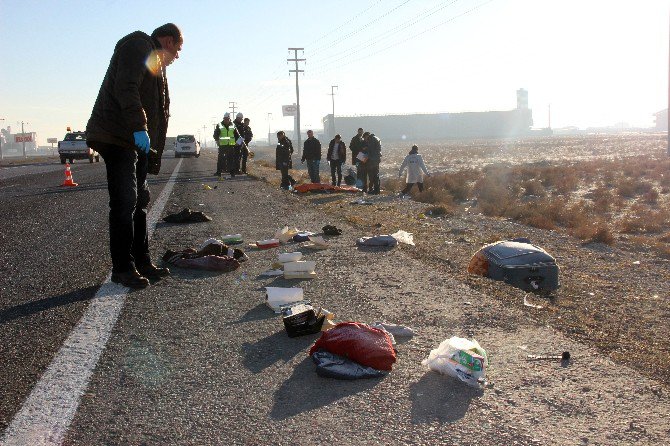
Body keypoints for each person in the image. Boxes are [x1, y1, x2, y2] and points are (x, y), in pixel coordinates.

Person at [86, 23, 182, 289]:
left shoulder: (156, 65)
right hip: (118, 136)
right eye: (177, 49)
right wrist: (139, 128)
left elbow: (157, 110)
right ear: (167, 40)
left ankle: (142, 262)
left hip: (134, 141)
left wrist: (149, 147)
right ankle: (122, 268)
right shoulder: (138, 45)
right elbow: (125, 86)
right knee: (125, 202)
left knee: (140, 200)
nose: (177, 57)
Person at [214, 112, 239, 177]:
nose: (226, 120)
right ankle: (218, 172)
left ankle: (232, 173)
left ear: (229, 119)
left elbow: (237, 135)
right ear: (223, 118)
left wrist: (237, 142)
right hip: (222, 145)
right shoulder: (219, 125)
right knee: (221, 159)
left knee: (231, 160)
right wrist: (217, 141)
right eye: (225, 119)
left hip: (231, 145)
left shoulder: (233, 125)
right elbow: (215, 134)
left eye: (227, 119)